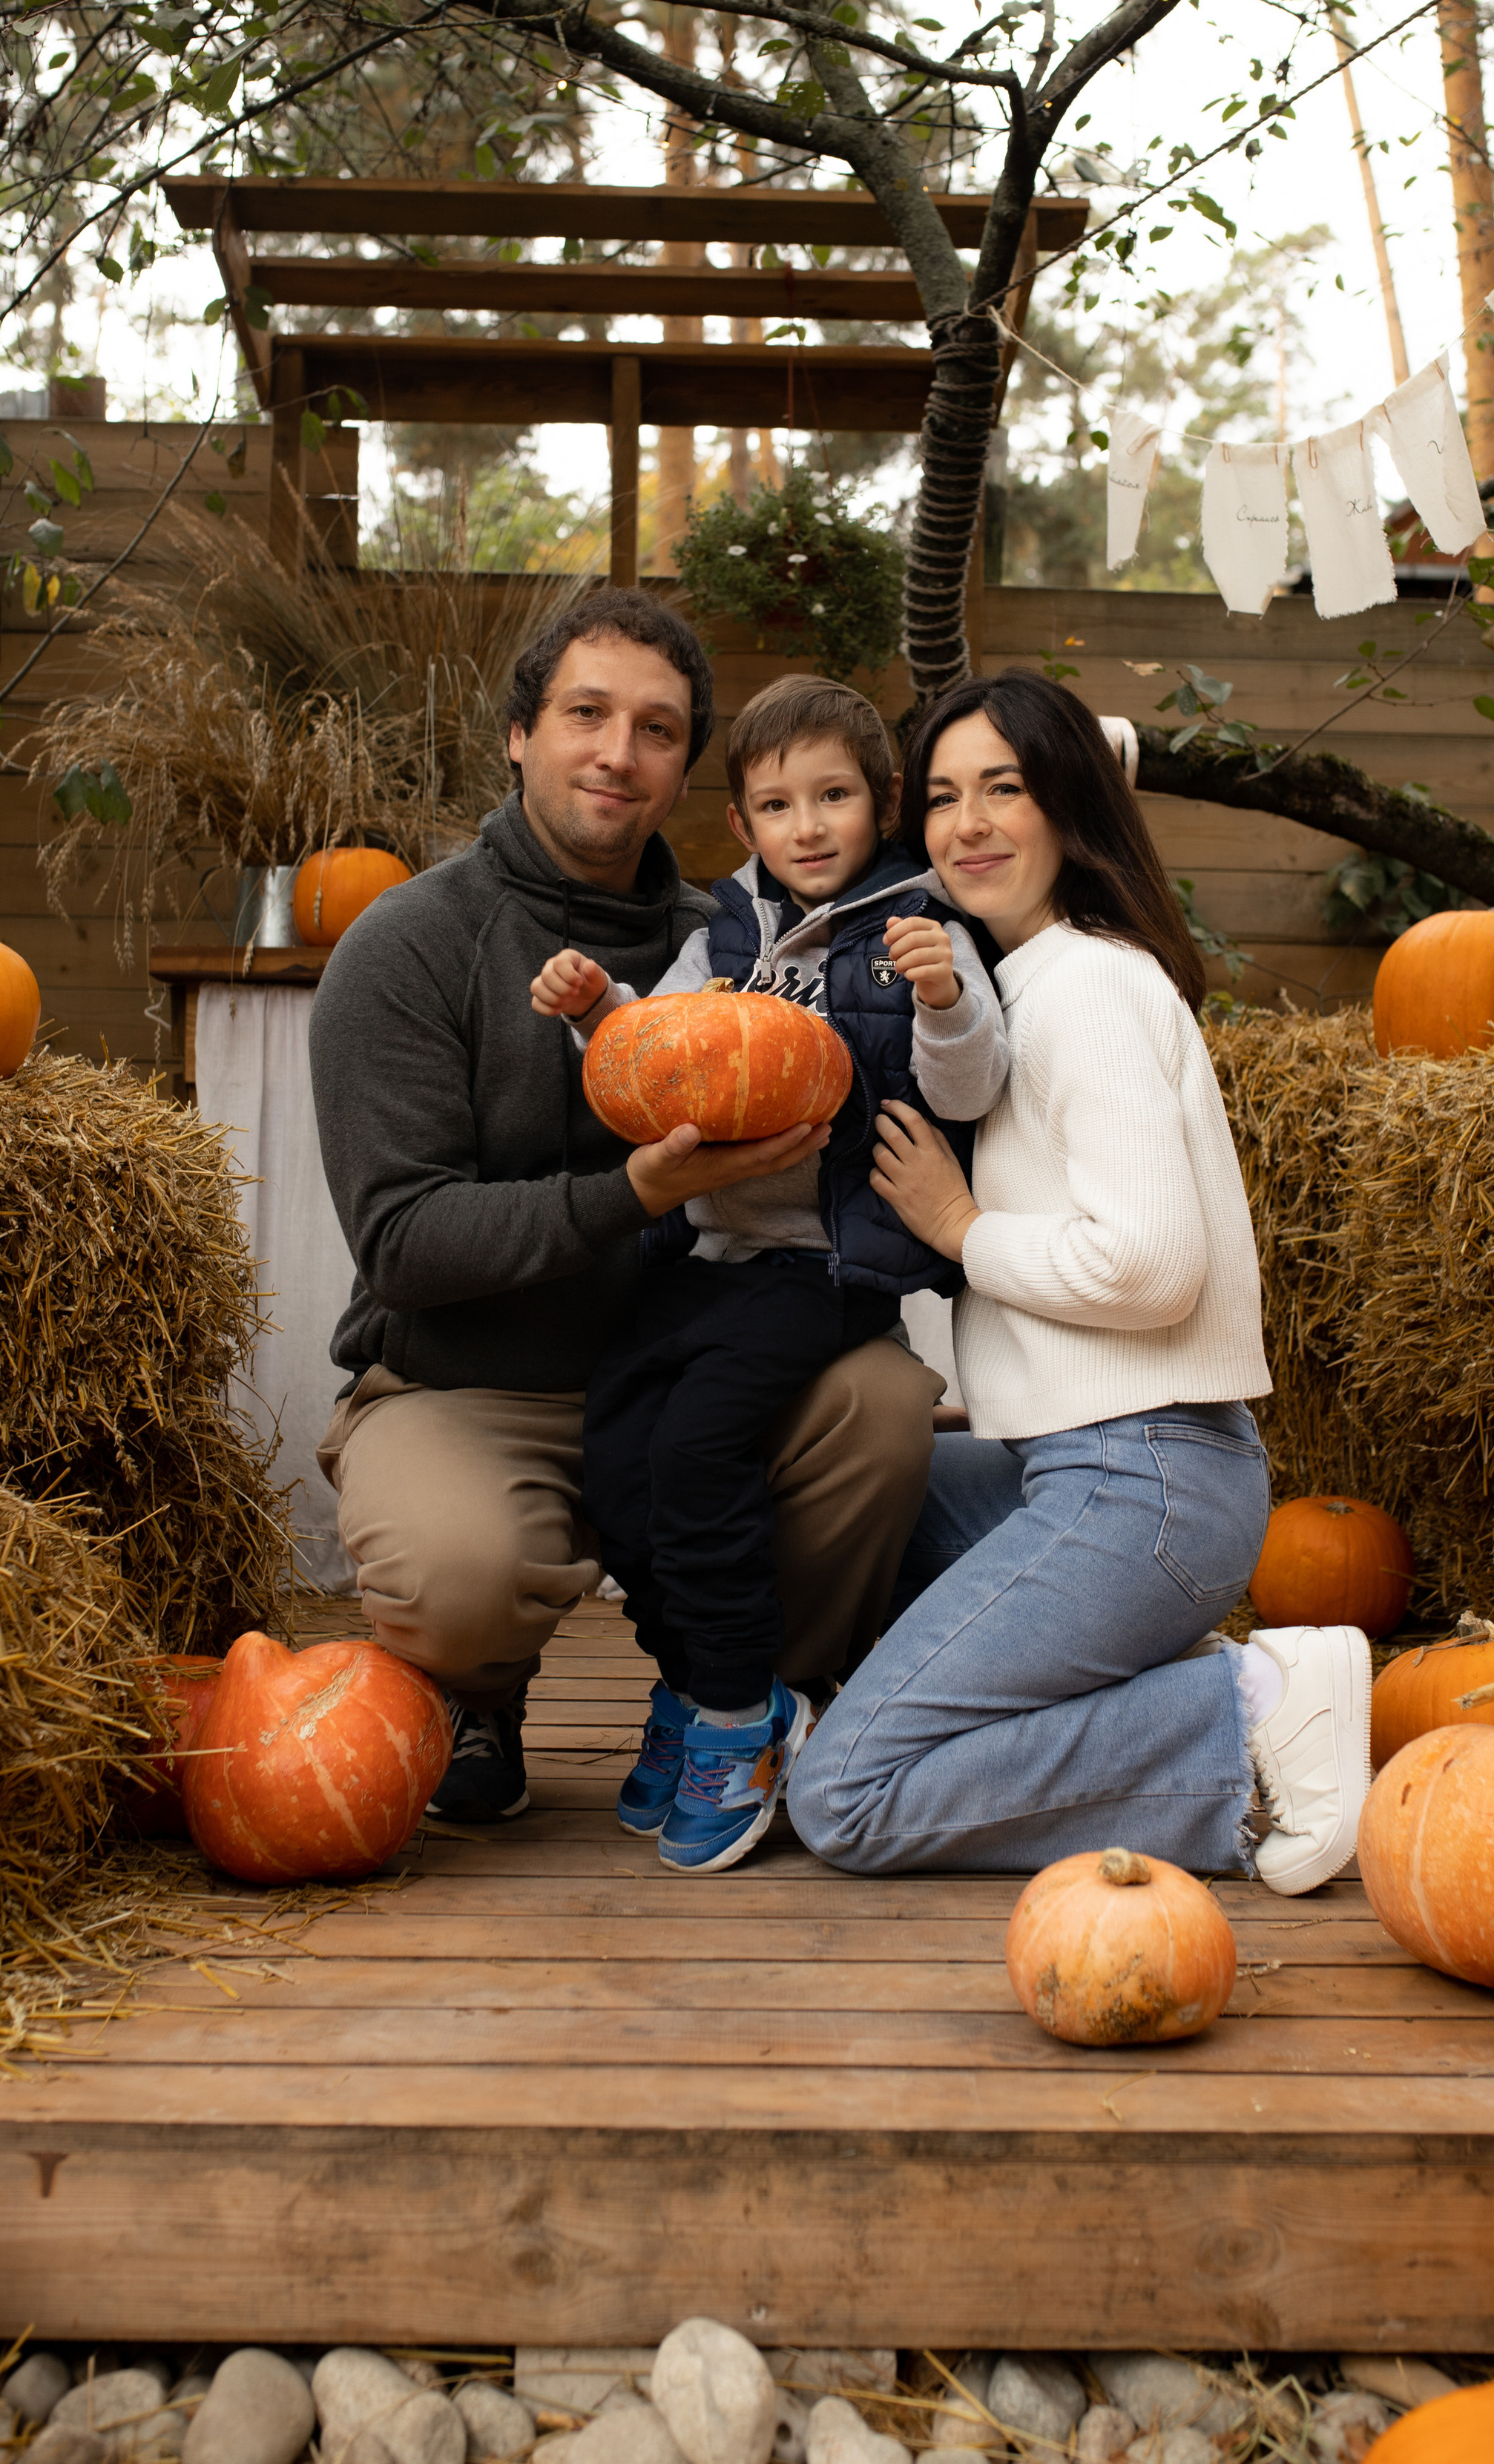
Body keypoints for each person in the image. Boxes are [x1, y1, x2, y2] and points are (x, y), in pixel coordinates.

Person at [307, 589, 944, 1824]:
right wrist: (632, 1193)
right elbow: (403, 1243)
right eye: (586, 714)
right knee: (457, 1575)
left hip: (698, 1361)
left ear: (686, 771)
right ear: (519, 734)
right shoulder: (407, 944)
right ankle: (474, 1691)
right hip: (475, 1383)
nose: (618, 752)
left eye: (657, 729)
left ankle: (736, 1691)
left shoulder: (740, 940)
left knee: (882, 1405)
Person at [787, 669, 1372, 1895]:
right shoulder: (1009, 987)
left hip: (1144, 1479)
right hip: (1078, 1466)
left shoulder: (1090, 987)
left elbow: (1153, 1267)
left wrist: (962, 1228)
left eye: (1005, 789)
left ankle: (1240, 1716)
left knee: (847, 1797)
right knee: (842, 1486)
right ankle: (965, 1706)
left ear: (1068, 807)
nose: (969, 825)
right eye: (943, 797)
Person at [529, 675, 1007, 1871]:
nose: (809, 827)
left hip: (818, 1266)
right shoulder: (723, 934)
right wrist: (599, 1013)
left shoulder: (922, 926)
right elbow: (658, 1058)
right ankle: (694, 1684)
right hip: (702, 1252)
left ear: (881, 800)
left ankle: (741, 1712)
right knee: (618, 1452)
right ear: (743, 824)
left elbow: (970, 1089)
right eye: (779, 806)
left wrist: (944, 999)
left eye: (833, 797)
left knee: (699, 1454)